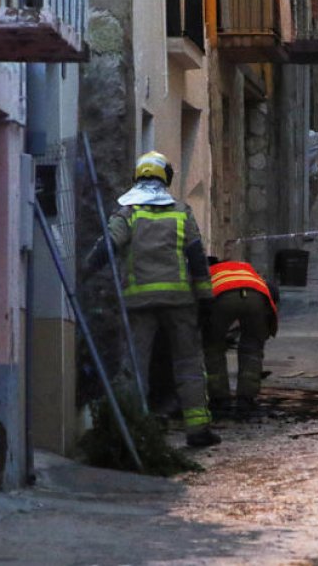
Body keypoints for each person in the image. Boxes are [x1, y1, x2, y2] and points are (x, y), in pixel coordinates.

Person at [85, 151, 220, 447]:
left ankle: (137, 430)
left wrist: (83, 272)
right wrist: (206, 300)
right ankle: (198, 429)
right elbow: (197, 260)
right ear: (166, 179)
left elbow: (105, 248)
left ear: (137, 178)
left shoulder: (128, 214)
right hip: (179, 301)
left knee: (137, 365)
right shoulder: (181, 212)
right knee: (187, 362)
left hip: (138, 303)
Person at [203, 258, 279, 418]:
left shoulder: (208, 273)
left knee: (213, 348)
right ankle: (246, 399)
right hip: (256, 296)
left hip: (222, 297)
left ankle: (220, 399)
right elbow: (272, 290)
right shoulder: (245, 268)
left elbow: (200, 303)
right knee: (252, 349)